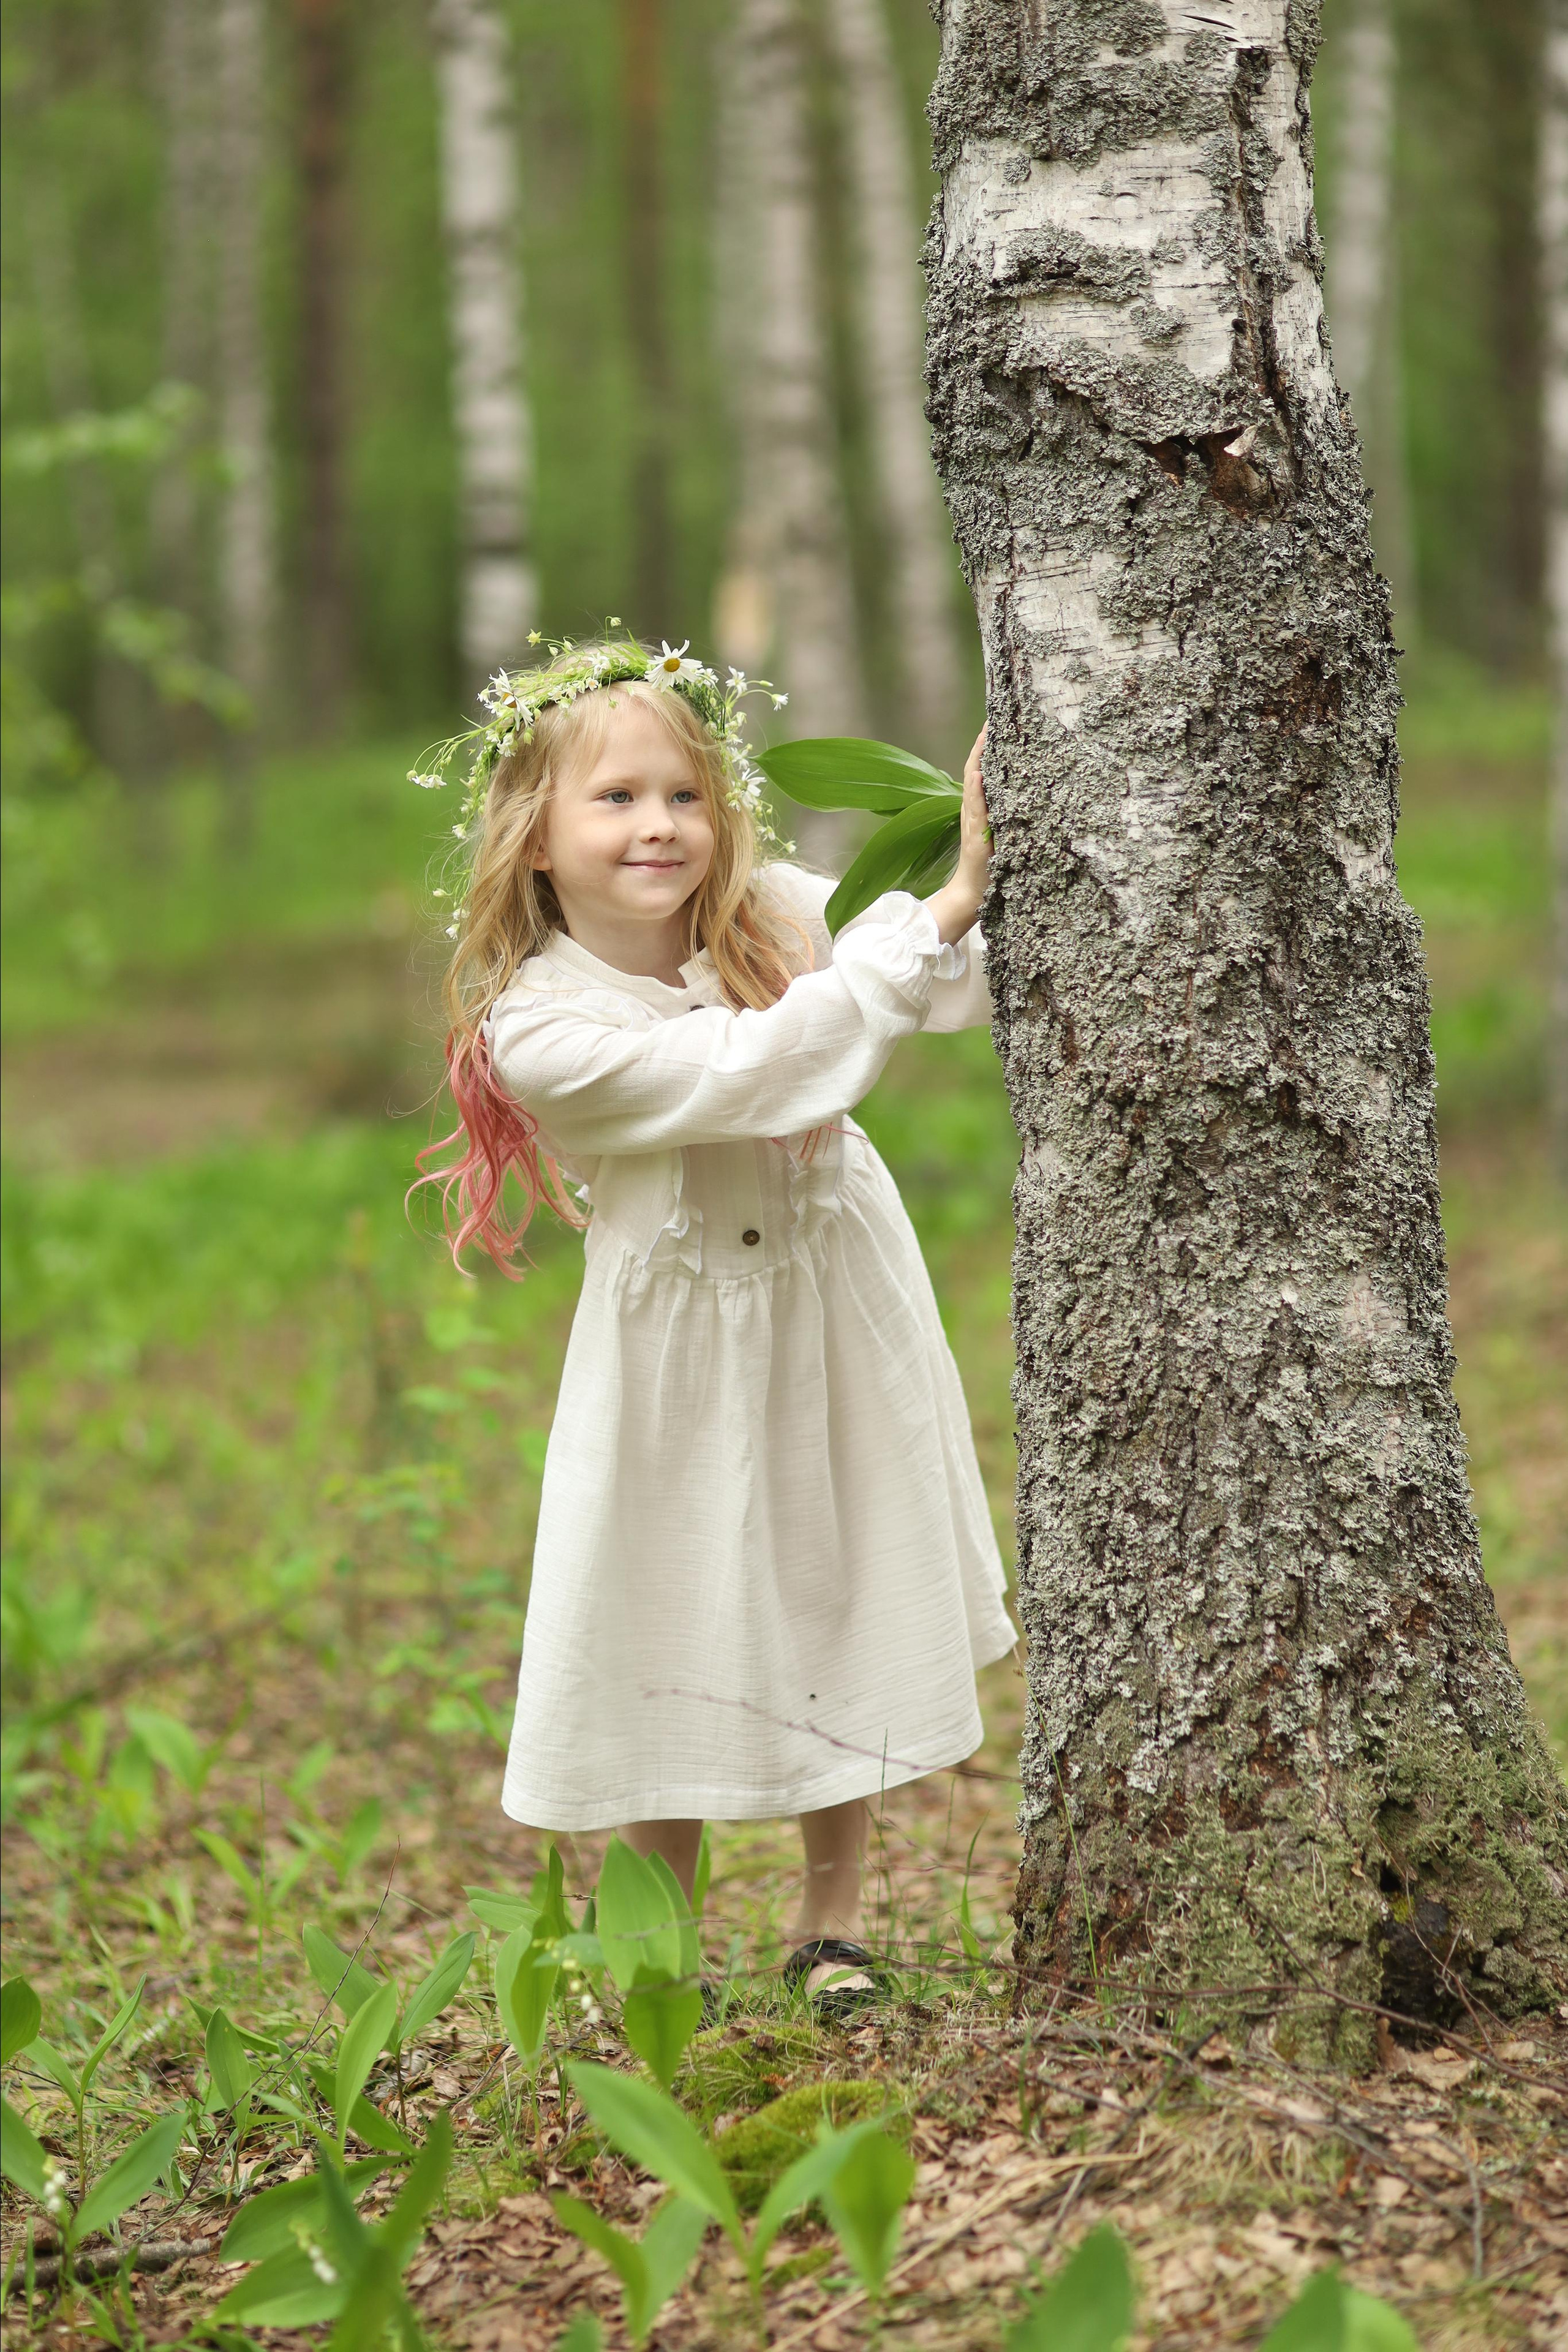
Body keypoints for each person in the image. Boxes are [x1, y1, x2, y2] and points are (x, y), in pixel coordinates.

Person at [413, 632, 1016, 2011]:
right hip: (676, 1348)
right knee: (665, 1595)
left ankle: (831, 1925)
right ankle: (659, 1943)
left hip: (829, 1293)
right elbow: (747, 1070)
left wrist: (966, 886)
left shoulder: (773, 916)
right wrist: (928, 914)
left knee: (834, 1570)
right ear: (534, 839)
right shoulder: (538, 1026)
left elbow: (945, 982)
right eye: (615, 799)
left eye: (684, 795)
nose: (659, 826)